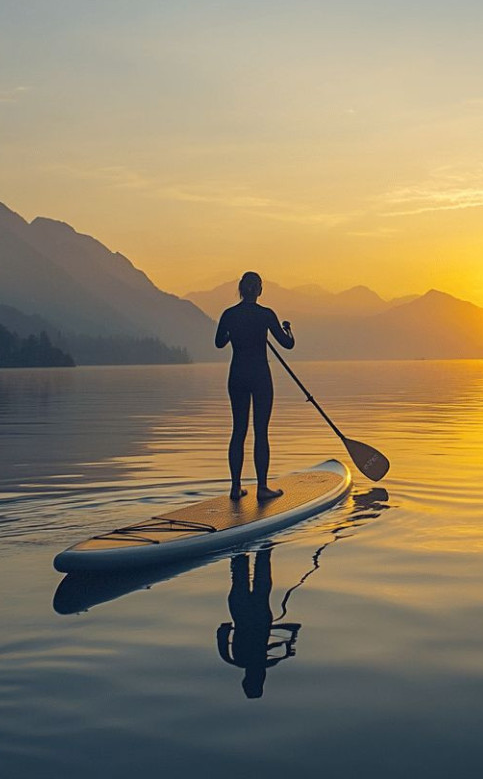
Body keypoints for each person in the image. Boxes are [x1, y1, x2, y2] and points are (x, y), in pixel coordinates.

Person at [214, 271, 296, 501]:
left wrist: (235, 332)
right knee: (261, 432)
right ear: (259, 290)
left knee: (238, 430)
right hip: (260, 376)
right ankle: (262, 488)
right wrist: (287, 328)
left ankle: (235, 488)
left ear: (241, 288)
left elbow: (219, 343)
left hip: (237, 375)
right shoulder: (266, 315)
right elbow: (287, 344)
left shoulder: (229, 314)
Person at [216, 548, 301, 699]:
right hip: (248, 613)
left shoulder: (267, 661)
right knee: (245, 574)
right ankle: (247, 548)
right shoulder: (234, 659)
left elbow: (223, 631)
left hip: (255, 615)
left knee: (257, 574)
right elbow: (222, 631)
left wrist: (290, 640)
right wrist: (290, 640)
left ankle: (252, 547)